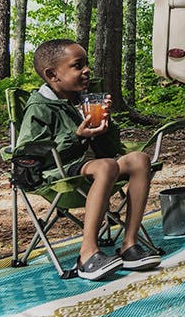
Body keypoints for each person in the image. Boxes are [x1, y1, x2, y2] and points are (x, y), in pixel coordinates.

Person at [17, 39, 163, 281]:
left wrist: (106, 124)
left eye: (86, 64)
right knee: (107, 166)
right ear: (52, 74)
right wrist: (76, 137)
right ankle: (87, 254)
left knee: (139, 159)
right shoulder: (40, 107)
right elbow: (30, 152)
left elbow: (110, 149)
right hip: (59, 174)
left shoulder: (82, 100)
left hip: (94, 169)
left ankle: (129, 244)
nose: (86, 70)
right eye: (77, 66)